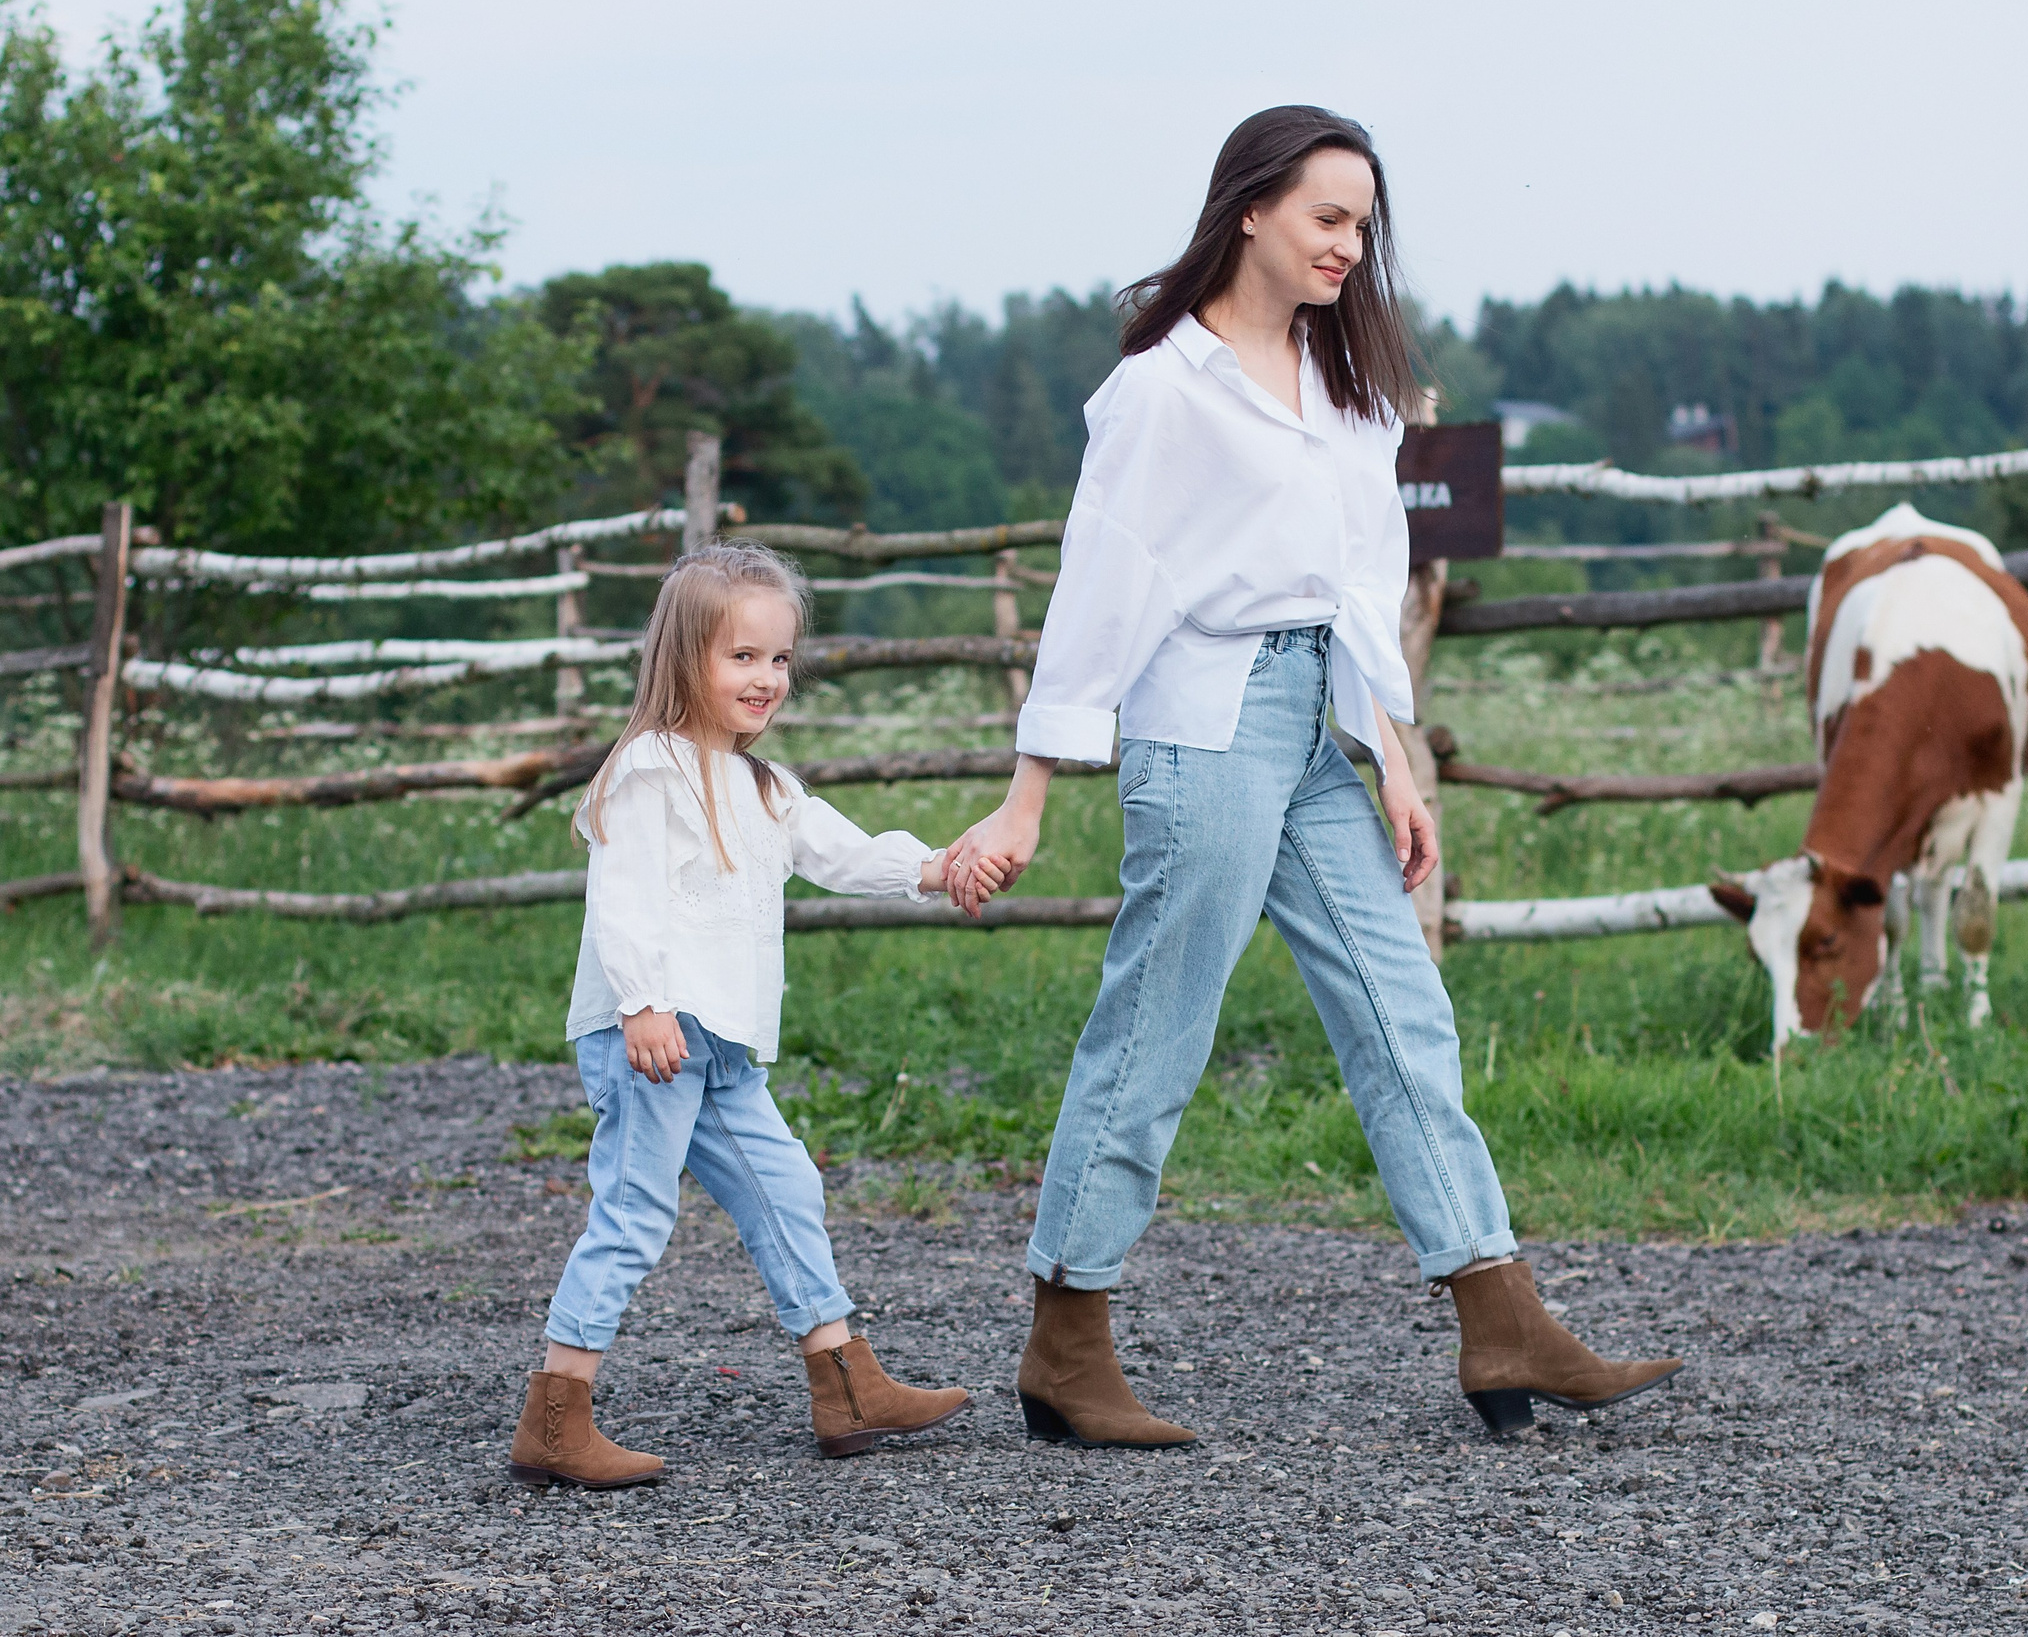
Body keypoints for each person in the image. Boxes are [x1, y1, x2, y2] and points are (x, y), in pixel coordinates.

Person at [944, 106, 1681, 1446]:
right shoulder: (1163, 388)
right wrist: (1030, 789)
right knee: (1157, 1027)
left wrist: (1391, 756)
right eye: (1326, 217)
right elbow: (1100, 587)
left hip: (1312, 725)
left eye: (1361, 225)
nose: (1348, 245)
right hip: (1203, 725)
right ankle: (1066, 1338)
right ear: (1252, 210)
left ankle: (1500, 1315)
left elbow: (1355, 587)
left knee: (1405, 1011)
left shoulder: (1344, 388)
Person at [509, 540, 987, 1488]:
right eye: (742, 656)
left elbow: (844, 852)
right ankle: (555, 1416)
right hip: (653, 1037)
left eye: (779, 658)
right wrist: (643, 1002)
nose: (767, 677)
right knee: (635, 1211)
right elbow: (624, 898)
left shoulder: (765, 785)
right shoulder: (650, 769)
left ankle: (846, 1385)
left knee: (787, 1187)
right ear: (684, 656)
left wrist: (935, 867)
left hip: (721, 1047)